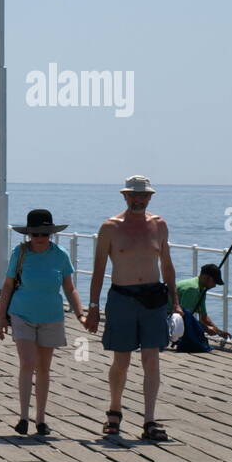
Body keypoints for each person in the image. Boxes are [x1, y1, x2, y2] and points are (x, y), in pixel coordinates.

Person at [84, 176, 178, 442]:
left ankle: (149, 420)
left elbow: (167, 265)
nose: (139, 200)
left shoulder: (159, 225)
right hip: (122, 297)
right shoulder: (110, 227)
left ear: (150, 197)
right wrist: (93, 307)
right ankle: (114, 411)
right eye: (134, 196)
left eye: (144, 196)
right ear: (125, 196)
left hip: (153, 298)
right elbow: (99, 270)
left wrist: (177, 302)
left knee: (151, 358)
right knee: (121, 359)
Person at [0, 210, 86, 436]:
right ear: (28, 234)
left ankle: (41, 419)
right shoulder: (21, 253)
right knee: (27, 362)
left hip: (51, 316)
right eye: (35, 233)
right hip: (21, 314)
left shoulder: (60, 255)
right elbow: (7, 286)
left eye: (44, 233)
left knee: (44, 368)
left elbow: (70, 287)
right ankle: (23, 417)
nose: (39, 238)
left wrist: (80, 314)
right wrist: (1, 317)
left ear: (51, 234)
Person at [174, 263, 230, 351]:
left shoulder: (202, 289)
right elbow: (185, 317)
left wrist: (219, 332)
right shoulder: (192, 289)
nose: (215, 286)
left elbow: (204, 318)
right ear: (206, 278)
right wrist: (206, 329)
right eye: (214, 281)